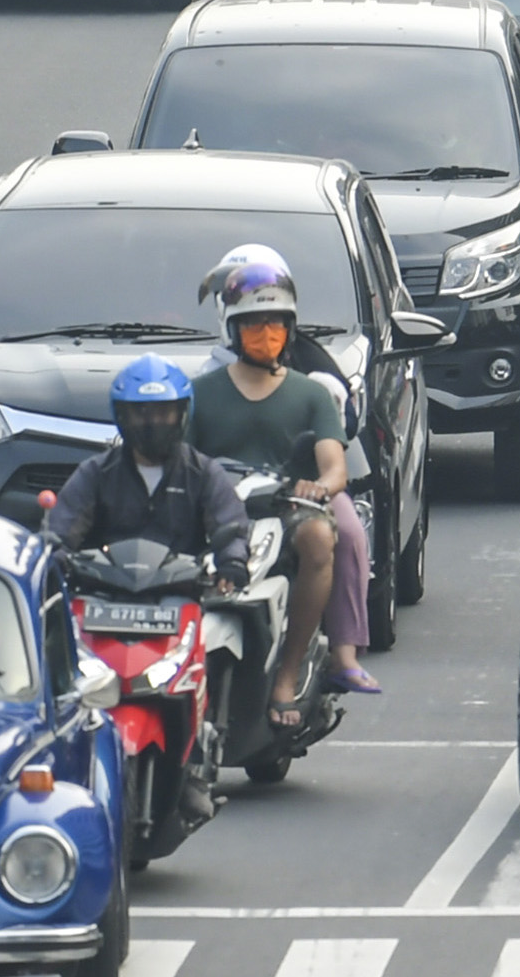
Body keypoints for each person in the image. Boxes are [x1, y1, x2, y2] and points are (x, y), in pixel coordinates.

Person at [186, 255, 369, 713]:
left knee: (321, 538)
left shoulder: (311, 393)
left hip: (285, 508)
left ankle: (289, 673)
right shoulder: (200, 392)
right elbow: (178, 460)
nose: (265, 335)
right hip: (217, 511)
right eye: (254, 325)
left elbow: (334, 465)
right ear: (233, 329)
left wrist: (319, 489)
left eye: (275, 325)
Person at [41, 355, 250, 587]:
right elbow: (60, 532)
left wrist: (233, 561)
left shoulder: (203, 473)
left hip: (183, 591)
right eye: (141, 413)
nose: (153, 423)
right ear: (122, 415)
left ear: (183, 414)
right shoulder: (97, 472)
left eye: (164, 413)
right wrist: (53, 561)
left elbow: (231, 529)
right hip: (102, 592)